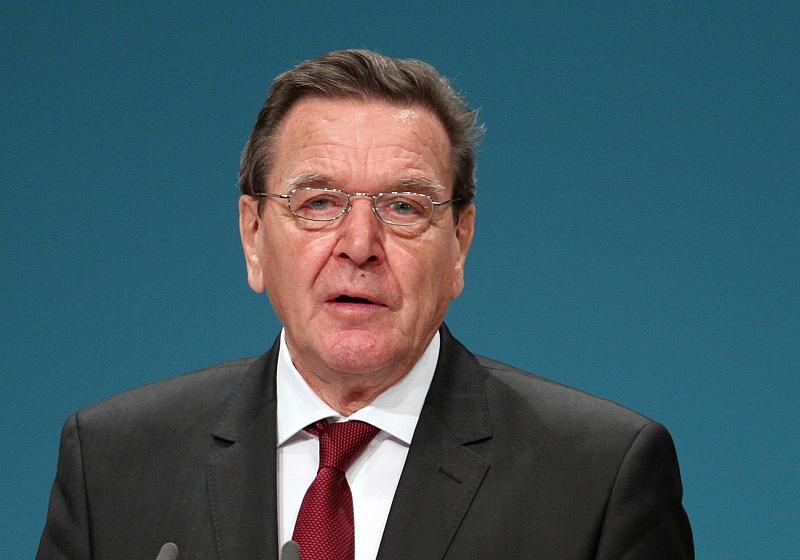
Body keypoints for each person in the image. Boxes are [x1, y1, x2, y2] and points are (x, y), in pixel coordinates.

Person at [37, 49, 694, 560]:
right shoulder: (113, 465)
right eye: (318, 202)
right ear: (254, 236)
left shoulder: (599, 478)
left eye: (403, 206)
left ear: (459, 243)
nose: (359, 245)